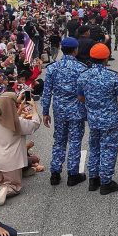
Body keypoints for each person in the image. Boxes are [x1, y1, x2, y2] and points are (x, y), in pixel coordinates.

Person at [77, 43, 118, 194]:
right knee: (109, 149)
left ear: (91, 58)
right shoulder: (113, 76)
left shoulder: (83, 76)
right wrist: (116, 107)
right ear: (106, 58)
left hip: (93, 118)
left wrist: (93, 106)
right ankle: (106, 182)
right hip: (110, 119)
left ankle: (93, 179)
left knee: (94, 147)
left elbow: (80, 97)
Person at [41, 37, 88, 187]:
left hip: (59, 110)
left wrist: (45, 112)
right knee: (75, 141)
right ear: (75, 50)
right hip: (76, 110)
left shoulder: (52, 68)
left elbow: (47, 92)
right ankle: (72, 175)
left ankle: (55, 173)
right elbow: (85, 92)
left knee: (59, 140)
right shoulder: (81, 68)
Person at [0, 91, 42, 200]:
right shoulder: (17, 122)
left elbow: (9, 117)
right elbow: (35, 124)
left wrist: (19, 111)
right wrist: (33, 108)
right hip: (11, 162)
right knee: (14, 186)